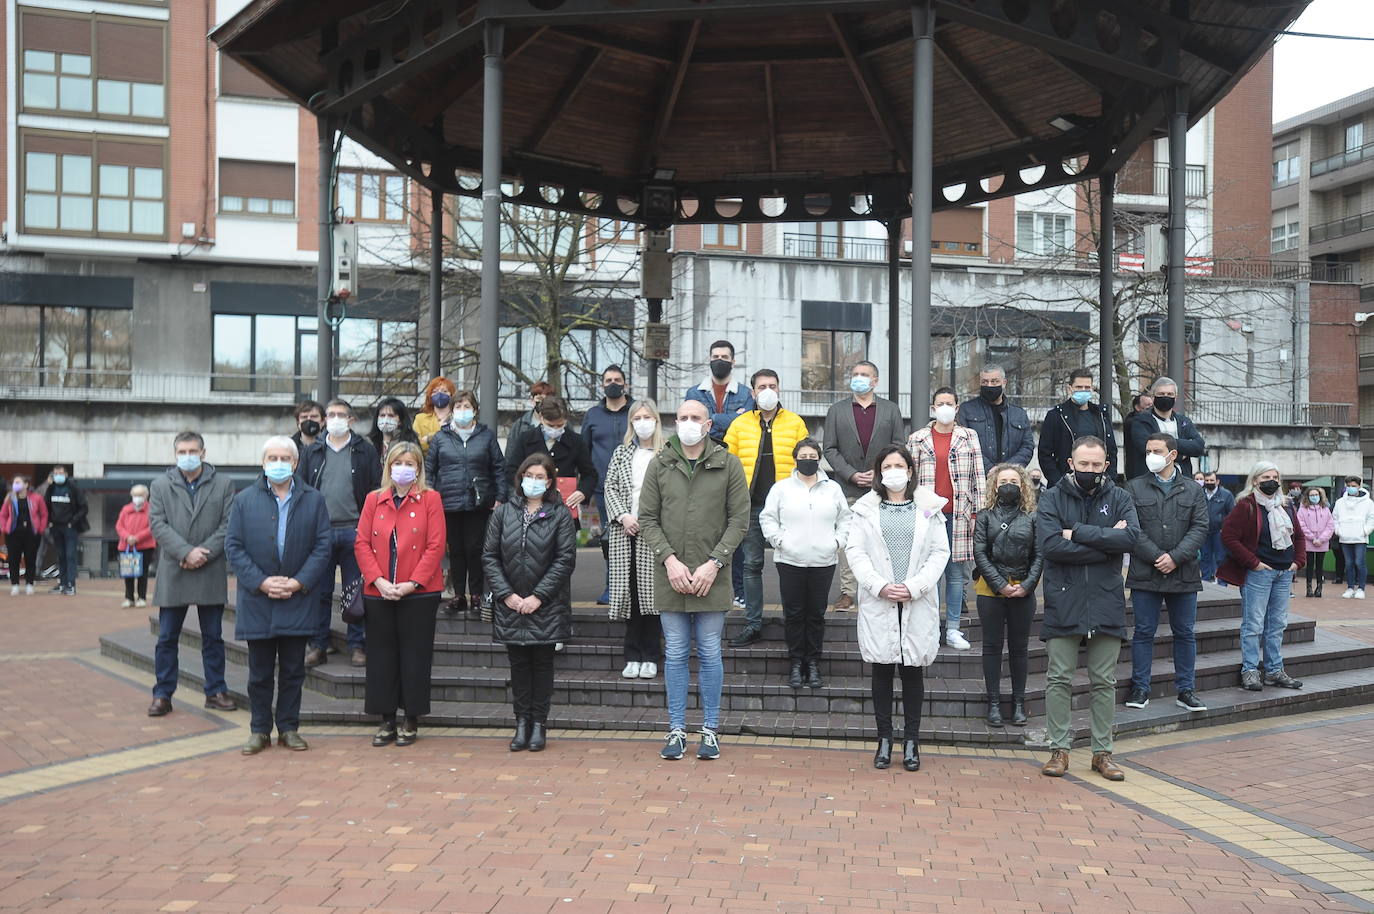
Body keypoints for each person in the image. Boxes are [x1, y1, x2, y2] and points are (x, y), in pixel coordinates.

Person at [639, 399, 750, 762]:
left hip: (711, 575)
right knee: (674, 652)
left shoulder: (728, 463)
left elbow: (739, 520)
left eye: (695, 417)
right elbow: (648, 518)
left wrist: (714, 563)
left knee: (710, 651)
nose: (688, 422)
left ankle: (710, 730)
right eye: (683, 417)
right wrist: (669, 561)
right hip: (670, 574)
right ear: (675, 422)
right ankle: (676, 729)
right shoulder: (661, 462)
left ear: (708, 424)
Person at [1037, 436, 1139, 781]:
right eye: (1084, 464)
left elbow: (1131, 539)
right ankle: (1059, 749)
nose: (1090, 470)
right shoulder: (1051, 497)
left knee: (1104, 681)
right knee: (1058, 678)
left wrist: (1076, 532)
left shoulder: (1120, 497)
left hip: (1106, 599)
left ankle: (1102, 753)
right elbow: (1050, 546)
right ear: (1071, 463)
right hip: (1063, 599)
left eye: (1096, 465)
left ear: (1106, 465)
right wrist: (1106, 542)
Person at [844, 445, 949, 772]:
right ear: (878, 472)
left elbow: (939, 552)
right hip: (881, 599)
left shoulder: (929, 507)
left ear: (910, 470)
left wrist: (914, 586)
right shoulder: (865, 509)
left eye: (899, 465)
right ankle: (885, 739)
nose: (893, 471)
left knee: (912, 671)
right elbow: (855, 551)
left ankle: (912, 741)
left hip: (916, 599)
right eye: (887, 466)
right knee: (881, 670)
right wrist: (879, 585)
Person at [226, 436, 332, 755]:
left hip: (297, 598)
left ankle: (288, 728)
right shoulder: (244, 500)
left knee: (293, 671)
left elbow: (322, 546)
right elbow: (234, 546)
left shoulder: (314, 500)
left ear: (295, 463)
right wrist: (260, 582)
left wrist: (298, 582)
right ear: (263, 463)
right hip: (258, 600)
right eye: (272, 458)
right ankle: (259, 730)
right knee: (259, 673)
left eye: (285, 458)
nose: (278, 463)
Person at [483, 453, 577, 753]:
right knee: (519, 666)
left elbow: (565, 560)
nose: (533, 481)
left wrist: (538, 596)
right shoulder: (502, 513)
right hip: (510, 604)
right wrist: (507, 595)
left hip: (546, 605)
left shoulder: (559, 514)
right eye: (529, 476)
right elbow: (490, 556)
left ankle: (539, 724)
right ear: (520, 477)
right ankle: (521, 722)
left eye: (540, 477)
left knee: (542, 665)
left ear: (549, 482)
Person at [355, 442, 446, 748]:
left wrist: (413, 583)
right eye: (397, 463)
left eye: (409, 463)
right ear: (388, 466)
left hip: (419, 593)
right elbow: (362, 543)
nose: (403, 469)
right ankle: (386, 720)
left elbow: (436, 545)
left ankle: (411, 719)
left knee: (415, 657)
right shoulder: (374, 499)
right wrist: (378, 580)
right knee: (382, 658)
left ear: (418, 469)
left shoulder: (431, 499)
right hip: (379, 591)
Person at [147, 432, 238, 716]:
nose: (187, 456)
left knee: (213, 637)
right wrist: (186, 552)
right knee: (166, 638)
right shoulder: (160, 485)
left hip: (209, 568)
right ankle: (163, 693)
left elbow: (228, 524)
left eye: (192, 451)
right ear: (175, 454)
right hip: (175, 569)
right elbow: (157, 524)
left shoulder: (223, 484)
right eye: (182, 452)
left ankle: (216, 690)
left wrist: (203, 554)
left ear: (203, 453)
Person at [1123, 433, 1211, 715]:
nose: (1151, 456)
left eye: (1157, 451)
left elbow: (1200, 527)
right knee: (1143, 632)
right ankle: (1140, 687)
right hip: (1145, 572)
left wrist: (1175, 557)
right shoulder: (1134, 487)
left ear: (1173, 455)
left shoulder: (1193, 489)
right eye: (1148, 450)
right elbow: (1132, 528)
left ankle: (1186, 690)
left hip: (1183, 572)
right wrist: (1156, 557)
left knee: (1184, 633)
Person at [725, 369, 810, 646]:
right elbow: (728, 465)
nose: (767, 391)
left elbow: (807, 461)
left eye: (772, 385)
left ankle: (794, 625)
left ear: (779, 389)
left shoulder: (795, 423)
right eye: (762, 387)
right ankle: (753, 624)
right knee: (752, 564)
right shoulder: (739, 425)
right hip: (751, 506)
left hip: (787, 507)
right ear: (753, 392)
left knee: (790, 564)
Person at [759, 437, 851, 689]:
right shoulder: (781, 488)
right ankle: (796, 662)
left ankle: (812, 663)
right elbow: (767, 518)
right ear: (795, 459)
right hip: (790, 560)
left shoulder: (833, 488)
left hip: (824, 561)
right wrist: (779, 541)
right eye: (803, 457)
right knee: (794, 613)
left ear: (819, 459)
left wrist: (837, 542)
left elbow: (845, 519)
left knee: (816, 614)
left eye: (812, 457)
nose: (808, 461)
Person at [297, 399, 381, 669]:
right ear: (324, 420)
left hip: (354, 530)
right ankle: (318, 645)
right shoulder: (312, 451)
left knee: (354, 592)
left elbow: (376, 488)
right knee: (320, 592)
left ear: (351, 419)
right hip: (321, 532)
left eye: (340, 414)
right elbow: (301, 488)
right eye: (330, 414)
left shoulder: (364, 450)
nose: (335, 419)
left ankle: (357, 645)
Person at [823, 360, 907, 611]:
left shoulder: (890, 410)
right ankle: (847, 593)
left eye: (864, 374)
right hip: (848, 488)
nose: (858, 378)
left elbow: (898, 446)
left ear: (875, 381)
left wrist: (880, 472)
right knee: (849, 543)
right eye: (855, 373)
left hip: (882, 488)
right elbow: (830, 448)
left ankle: (882, 587)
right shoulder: (837, 410)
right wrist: (850, 474)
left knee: (882, 540)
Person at [1219, 462, 1306, 691]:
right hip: (1259, 573)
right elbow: (1228, 537)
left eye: (1275, 477)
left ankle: (1274, 670)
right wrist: (1253, 563)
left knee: (1277, 624)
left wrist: (1297, 561)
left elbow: (1298, 537)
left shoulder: (1286, 505)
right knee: (1254, 625)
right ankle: (1250, 670)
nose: (1272, 481)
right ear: (1255, 480)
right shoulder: (1246, 505)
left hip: (1284, 573)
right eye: (1266, 477)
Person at [909, 386, 985, 650]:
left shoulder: (968, 436)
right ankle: (928, 627)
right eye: (940, 403)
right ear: (933, 408)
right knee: (928, 573)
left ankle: (953, 628)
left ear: (956, 407)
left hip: (958, 514)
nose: (944, 408)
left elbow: (978, 476)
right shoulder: (918, 438)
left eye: (949, 403)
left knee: (955, 575)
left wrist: (977, 512)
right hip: (927, 515)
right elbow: (910, 478)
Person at [425, 389, 508, 618]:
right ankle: (459, 595)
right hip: (448, 502)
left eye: (467, 406)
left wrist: (500, 496)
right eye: (458, 406)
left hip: (478, 502)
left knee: (475, 549)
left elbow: (498, 468)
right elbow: (430, 470)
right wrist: (430, 497)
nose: (463, 411)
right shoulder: (441, 438)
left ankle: (477, 595)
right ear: (452, 411)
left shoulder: (486, 436)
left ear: (475, 410)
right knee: (456, 550)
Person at [686, 340, 755, 612]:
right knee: (707, 530)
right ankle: (703, 585)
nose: (720, 360)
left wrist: (713, 420)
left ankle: (739, 592)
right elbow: (694, 425)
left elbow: (744, 425)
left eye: (725, 356)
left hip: (733, 465)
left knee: (735, 534)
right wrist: (729, 419)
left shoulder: (746, 393)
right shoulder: (694, 391)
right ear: (709, 359)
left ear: (733, 361)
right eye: (715, 356)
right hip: (702, 464)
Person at [972, 463, 1041, 728]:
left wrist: (1028, 585)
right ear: (994, 486)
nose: (1008, 486)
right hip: (990, 590)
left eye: (1013, 481)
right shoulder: (985, 516)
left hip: (1023, 587)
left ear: (1023, 485)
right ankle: (993, 703)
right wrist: (1000, 584)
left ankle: (1018, 703)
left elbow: (1039, 554)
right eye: (1003, 482)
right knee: (991, 647)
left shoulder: (1033, 516)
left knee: (1019, 649)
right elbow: (980, 552)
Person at [602, 400, 665, 679]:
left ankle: (651, 655)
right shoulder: (622, 452)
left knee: (651, 596)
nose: (642, 422)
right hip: (624, 531)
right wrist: (623, 516)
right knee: (629, 595)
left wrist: (651, 520)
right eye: (637, 418)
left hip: (654, 532)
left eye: (647, 417)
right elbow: (610, 486)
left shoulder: (666, 453)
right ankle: (632, 655)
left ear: (656, 420)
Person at [582, 366, 632, 605]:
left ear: (625, 384)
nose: (613, 383)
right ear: (602, 385)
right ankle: (611, 588)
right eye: (608, 380)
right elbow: (584, 451)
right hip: (603, 489)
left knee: (635, 538)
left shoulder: (636, 412)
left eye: (617, 380)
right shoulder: (592, 415)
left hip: (635, 487)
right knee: (610, 540)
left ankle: (633, 588)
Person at [504, 398, 598, 518]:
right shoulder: (526, 439)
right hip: (531, 505)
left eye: (560, 425)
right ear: (541, 418)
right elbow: (511, 470)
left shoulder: (576, 441)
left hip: (564, 507)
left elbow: (590, 474)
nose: (554, 429)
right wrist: (528, 485)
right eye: (550, 425)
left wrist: (582, 492)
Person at [1037, 368, 1117, 488]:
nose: (1083, 390)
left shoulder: (1101, 414)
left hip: (1098, 484)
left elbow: (1111, 451)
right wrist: (1059, 483)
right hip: (1066, 484)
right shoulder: (1056, 415)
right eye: (1079, 387)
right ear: (1070, 388)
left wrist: (1109, 481)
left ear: (1092, 389)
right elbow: (1045, 454)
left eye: (1087, 387)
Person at [1126, 377, 1206, 480]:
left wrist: (1166, 445)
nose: (1166, 397)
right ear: (1153, 397)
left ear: (1175, 397)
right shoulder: (1140, 421)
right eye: (1161, 394)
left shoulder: (1184, 421)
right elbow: (1145, 447)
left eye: (1170, 394)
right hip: (1150, 482)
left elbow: (1199, 446)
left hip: (1182, 482)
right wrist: (1182, 454)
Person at [955, 364, 1033, 467]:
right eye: (984, 382)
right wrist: (990, 469)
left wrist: (1006, 470)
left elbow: (1027, 446)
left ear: (1004, 383)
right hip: (978, 474)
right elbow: (964, 445)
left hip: (1011, 474)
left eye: (994, 381)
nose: (989, 385)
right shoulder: (966, 410)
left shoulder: (1019, 414)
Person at [43, 465, 87, 595]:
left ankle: (71, 585)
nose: (58, 476)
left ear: (66, 474)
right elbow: (46, 506)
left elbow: (83, 507)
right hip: (56, 527)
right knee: (60, 556)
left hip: (70, 528)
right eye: (55, 473)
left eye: (60, 473)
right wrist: (49, 522)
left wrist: (72, 522)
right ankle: (62, 583)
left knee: (70, 556)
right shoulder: (51, 488)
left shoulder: (73, 488)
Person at [2, 475, 47, 596]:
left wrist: (41, 528)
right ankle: (15, 585)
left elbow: (44, 514)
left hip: (31, 533)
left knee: (30, 559)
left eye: (18, 482)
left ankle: (29, 584)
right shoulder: (10, 498)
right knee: (13, 560)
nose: (15, 485)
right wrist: (4, 527)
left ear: (26, 484)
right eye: (14, 483)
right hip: (13, 533)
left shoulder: (36, 498)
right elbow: (3, 514)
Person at [1332, 475, 1374, 599]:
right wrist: (1339, 531)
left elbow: (1371, 518)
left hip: (1360, 538)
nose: (1351, 488)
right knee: (1349, 563)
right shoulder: (1340, 502)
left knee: (1359, 563)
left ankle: (1361, 588)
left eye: (1353, 486)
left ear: (1359, 486)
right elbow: (1334, 518)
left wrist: (1365, 531)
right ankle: (1350, 587)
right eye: (1349, 486)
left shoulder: (1368, 502)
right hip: (1345, 538)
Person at [115, 484, 156, 608]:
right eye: (135, 495)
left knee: (142, 573)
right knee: (128, 572)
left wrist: (137, 537)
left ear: (146, 496)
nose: (137, 498)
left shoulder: (152, 510)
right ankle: (129, 598)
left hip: (145, 547)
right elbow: (119, 526)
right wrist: (127, 537)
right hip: (126, 546)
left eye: (140, 495)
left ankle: (142, 598)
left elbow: (152, 527)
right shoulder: (126, 509)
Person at [1297, 487, 1335, 599]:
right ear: (1307, 497)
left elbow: (1330, 526)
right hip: (1308, 542)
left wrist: (1321, 539)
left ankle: (1319, 588)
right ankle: (1308, 587)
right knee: (1309, 565)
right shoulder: (1302, 510)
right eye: (1312, 495)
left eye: (1316, 495)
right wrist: (1312, 538)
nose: (1314, 497)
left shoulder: (1325, 509)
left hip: (1322, 542)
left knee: (1320, 565)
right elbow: (1301, 525)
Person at [1200, 471, 1235, 583]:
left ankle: (1222, 582)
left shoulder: (1226, 495)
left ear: (1217, 481)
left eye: (1212, 480)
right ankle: (1205, 581)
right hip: (1203, 531)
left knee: (1221, 558)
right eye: (1207, 480)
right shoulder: (1199, 494)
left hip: (1219, 532)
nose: (1209, 482)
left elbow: (1232, 514)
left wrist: (1225, 529)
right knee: (1205, 557)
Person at [507, 380, 555, 459]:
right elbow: (510, 456)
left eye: (547, 399)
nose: (543, 402)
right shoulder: (519, 426)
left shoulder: (562, 425)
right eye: (539, 399)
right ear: (532, 400)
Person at [368, 396, 420, 465]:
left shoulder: (409, 443)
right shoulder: (369, 443)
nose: (385, 420)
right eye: (382, 415)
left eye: (391, 416)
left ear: (400, 420)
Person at [414, 376, 457, 455]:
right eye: (435, 391)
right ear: (430, 396)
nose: (439, 394)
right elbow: (415, 445)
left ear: (452, 395)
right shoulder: (420, 419)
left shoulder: (458, 418)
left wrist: (428, 439)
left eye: (444, 391)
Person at [1120, 393, 1154, 480]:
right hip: (1137, 468)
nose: (1151, 408)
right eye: (1147, 405)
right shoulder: (1132, 422)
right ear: (1137, 407)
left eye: (1152, 405)